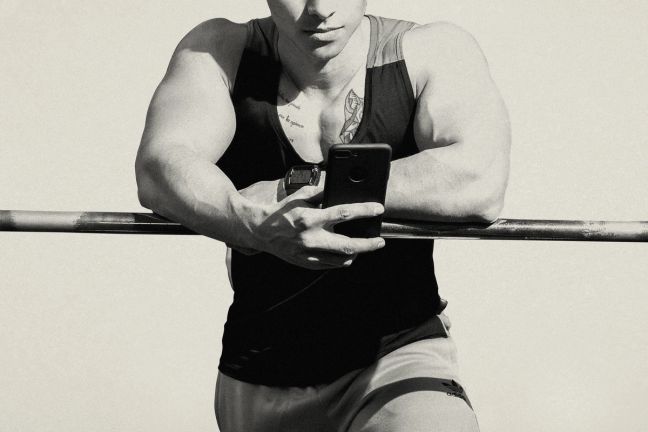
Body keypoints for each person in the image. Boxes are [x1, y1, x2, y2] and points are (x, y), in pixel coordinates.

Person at [135, 0, 510, 430]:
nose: (320, 8)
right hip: (260, 371)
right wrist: (249, 221)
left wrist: (297, 190)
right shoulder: (218, 50)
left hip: (399, 358)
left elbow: (480, 182)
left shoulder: (432, 50)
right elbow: (158, 167)